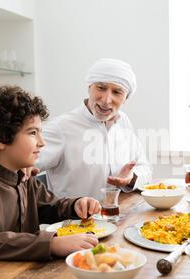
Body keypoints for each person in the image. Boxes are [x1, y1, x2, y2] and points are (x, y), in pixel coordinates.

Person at [0, 86, 99, 264]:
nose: (42, 142)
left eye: (40, 132)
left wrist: (76, 205)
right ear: (0, 138)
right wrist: (51, 244)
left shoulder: (24, 178)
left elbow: (50, 207)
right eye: (33, 133)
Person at [34, 58, 152, 200]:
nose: (106, 100)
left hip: (117, 216)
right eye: (101, 88)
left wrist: (131, 178)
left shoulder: (123, 122)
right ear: (89, 87)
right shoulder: (61, 128)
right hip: (74, 220)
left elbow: (146, 169)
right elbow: (19, 168)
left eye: (117, 92)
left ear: (125, 98)